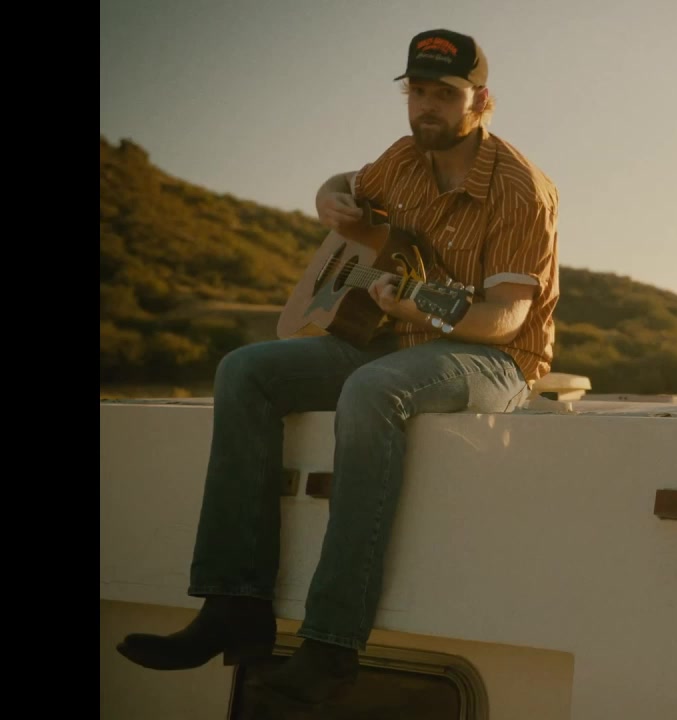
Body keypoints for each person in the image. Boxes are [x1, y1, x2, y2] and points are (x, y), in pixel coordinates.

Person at [115, 28, 560, 711]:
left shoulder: (520, 189)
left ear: (482, 101)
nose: (427, 106)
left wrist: (419, 301)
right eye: (416, 91)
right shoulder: (403, 160)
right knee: (244, 371)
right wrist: (328, 199)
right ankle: (235, 605)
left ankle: (331, 644)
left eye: (445, 94)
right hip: (389, 338)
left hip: (493, 358)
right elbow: (344, 187)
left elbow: (503, 319)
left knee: (372, 389)